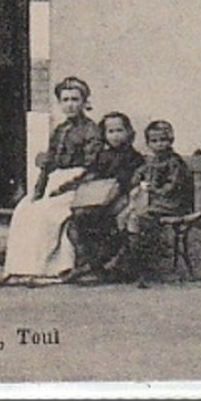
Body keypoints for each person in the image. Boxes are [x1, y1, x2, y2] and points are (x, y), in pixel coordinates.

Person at [1, 76, 104, 285]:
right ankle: (22, 269)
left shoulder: (91, 130)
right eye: (65, 100)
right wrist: (39, 190)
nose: (70, 105)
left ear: (84, 102)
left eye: (75, 99)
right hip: (53, 182)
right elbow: (49, 164)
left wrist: (65, 186)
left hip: (78, 184)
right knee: (24, 210)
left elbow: (92, 167)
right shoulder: (59, 129)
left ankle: (50, 269)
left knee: (45, 214)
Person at [107, 119, 195, 285]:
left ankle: (138, 264)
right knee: (125, 215)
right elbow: (138, 174)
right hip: (154, 202)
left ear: (171, 141)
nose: (159, 145)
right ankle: (127, 259)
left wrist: (153, 189)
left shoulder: (173, 162)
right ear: (148, 143)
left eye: (163, 140)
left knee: (140, 217)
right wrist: (139, 180)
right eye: (154, 141)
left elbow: (172, 186)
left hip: (172, 204)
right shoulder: (152, 161)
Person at [65, 111, 145, 281]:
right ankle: (87, 262)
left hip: (121, 196)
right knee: (76, 219)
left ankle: (103, 265)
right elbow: (92, 173)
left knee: (106, 218)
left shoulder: (133, 157)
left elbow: (131, 180)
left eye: (119, 130)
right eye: (110, 131)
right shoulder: (103, 155)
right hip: (100, 197)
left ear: (129, 132)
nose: (115, 136)